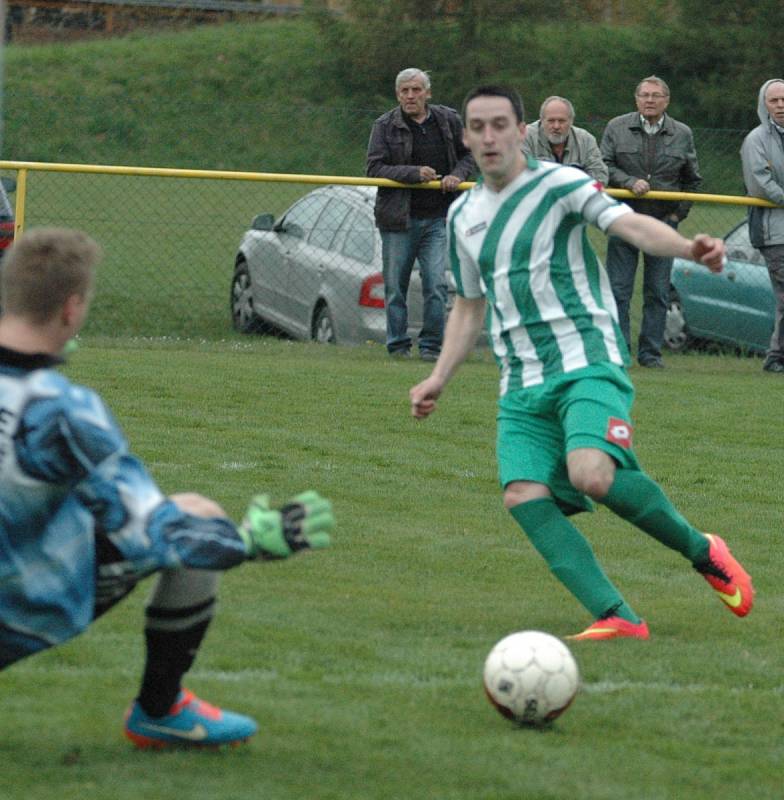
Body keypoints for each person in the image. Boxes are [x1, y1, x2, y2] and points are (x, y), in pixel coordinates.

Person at [409, 85, 754, 641]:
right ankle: (617, 615)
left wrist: (688, 248)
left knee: (591, 474)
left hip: (585, 356)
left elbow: (628, 224)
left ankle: (703, 550)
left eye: (500, 124)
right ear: (467, 136)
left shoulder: (560, 184)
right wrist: (438, 377)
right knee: (522, 494)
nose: (489, 136)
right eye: (478, 126)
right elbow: (468, 307)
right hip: (521, 380)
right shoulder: (462, 217)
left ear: (521, 130)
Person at [0, 228, 335, 747]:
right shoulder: (60, 413)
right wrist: (247, 541)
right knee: (196, 516)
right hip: (16, 613)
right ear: (71, 309)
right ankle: (160, 709)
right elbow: (152, 529)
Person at [367, 67, 476, 361]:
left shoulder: (449, 120)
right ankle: (398, 346)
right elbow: (374, 168)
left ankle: (431, 346)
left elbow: (470, 155)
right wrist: (414, 173)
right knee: (395, 287)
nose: (411, 96)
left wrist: (456, 175)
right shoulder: (384, 125)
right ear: (398, 94)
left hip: (439, 219)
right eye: (405, 90)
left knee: (436, 285)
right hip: (398, 220)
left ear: (428, 93)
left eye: (416, 90)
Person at [601, 76, 702, 368]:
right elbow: (604, 165)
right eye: (644, 95)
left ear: (666, 101)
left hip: (663, 224)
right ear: (636, 99)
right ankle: (619, 353)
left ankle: (650, 355)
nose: (650, 100)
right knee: (618, 289)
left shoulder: (682, 133)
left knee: (657, 291)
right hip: (624, 220)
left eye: (656, 95)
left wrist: (676, 215)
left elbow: (692, 180)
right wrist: (629, 181)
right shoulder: (616, 127)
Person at [741, 78, 784, 374]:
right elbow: (760, 183)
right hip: (775, 233)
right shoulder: (756, 139)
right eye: (774, 101)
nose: (780, 106)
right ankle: (776, 357)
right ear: (764, 104)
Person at [522, 95, 608, 183]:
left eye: (562, 121)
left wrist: (585, 191)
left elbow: (601, 179)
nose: (556, 126)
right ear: (541, 120)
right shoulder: (525, 136)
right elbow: (519, 176)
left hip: (576, 194)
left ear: (571, 121)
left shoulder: (586, 140)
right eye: (551, 121)